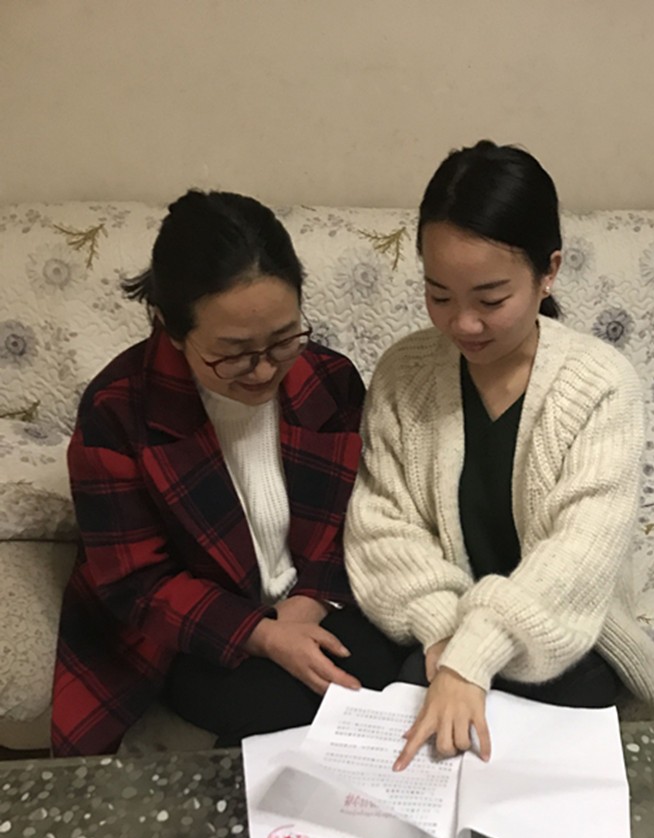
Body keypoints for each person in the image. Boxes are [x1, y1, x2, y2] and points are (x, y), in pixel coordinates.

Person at [344, 141, 654, 770]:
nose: (463, 324)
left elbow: (577, 556)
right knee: (386, 721)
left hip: (564, 630)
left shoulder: (601, 384)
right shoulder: (404, 374)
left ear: (548, 273)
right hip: (442, 620)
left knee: (493, 751)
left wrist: (473, 657)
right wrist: (446, 635)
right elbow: (383, 525)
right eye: (439, 295)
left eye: (491, 300)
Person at [52, 189, 403, 757]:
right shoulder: (118, 412)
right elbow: (136, 583)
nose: (263, 370)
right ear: (170, 327)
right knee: (283, 706)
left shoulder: (326, 379)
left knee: (398, 669)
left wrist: (308, 604)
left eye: (283, 340)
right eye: (233, 352)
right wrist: (263, 634)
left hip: (318, 601)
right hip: (198, 633)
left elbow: (363, 510)